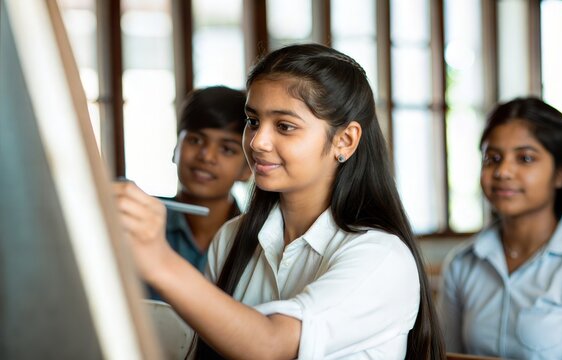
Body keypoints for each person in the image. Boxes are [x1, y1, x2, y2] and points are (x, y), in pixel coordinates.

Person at [114, 43, 445, 359]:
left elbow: (269, 346)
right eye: (253, 121)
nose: (257, 142)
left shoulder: (381, 258)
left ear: (345, 140)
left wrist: (159, 261)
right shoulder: (232, 236)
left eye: (285, 126)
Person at [437, 97, 562, 359]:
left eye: (526, 158)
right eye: (493, 158)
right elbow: (447, 356)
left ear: (561, 174)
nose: (503, 172)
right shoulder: (463, 264)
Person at [148, 86, 251, 301]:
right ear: (175, 148)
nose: (206, 156)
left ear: (248, 169)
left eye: (227, 149)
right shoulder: (142, 223)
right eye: (195, 140)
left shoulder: (255, 239)